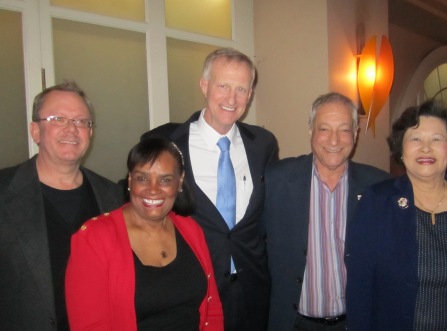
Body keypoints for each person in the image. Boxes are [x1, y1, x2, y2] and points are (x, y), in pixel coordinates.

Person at [141, 47, 278, 330]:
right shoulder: (164, 141)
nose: (232, 98)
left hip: (251, 292)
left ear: (250, 95)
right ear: (204, 86)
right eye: (223, 86)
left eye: (241, 89)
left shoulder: (263, 144)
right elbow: (142, 217)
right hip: (189, 291)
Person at [345, 100, 447, 330]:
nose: (426, 148)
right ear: (402, 151)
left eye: (437, 139)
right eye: (415, 139)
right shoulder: (376, 203)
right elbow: (360, 289)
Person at [0, 81, 124, 331]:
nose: (72, 129)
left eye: (81, 121)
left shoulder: (114, 197)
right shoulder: (4, 192)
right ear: (35, 131)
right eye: (58, 119)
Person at [262, 92, 390, 331]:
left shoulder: (379, 187)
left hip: (357, 322)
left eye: (343, 129)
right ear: (310, 131)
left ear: (355, 134)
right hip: (294, 323)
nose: (334, 140)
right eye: (324, 129)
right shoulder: (276, 180)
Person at [65, 138, 224, 330]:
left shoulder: (191, 229)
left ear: (180, 181)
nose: (153, 189)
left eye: (165, 180)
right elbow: (89, 326)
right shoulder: (94, 238)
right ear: (130, 180)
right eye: (142, 178)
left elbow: (212, 307)